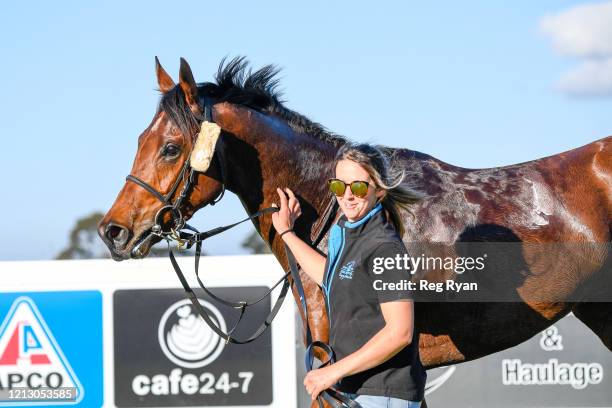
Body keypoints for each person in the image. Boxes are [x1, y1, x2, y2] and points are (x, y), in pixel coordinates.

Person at [271, 142, 428, 408]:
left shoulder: (385, 247)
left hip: (384, 394)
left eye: (357, 187)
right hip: (357, 390)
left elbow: (400, 332)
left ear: (378, 190)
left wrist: (333, 371)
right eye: (338, 186)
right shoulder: (350, 233)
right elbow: (332, 277)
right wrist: (287, 233)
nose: (347, 195)